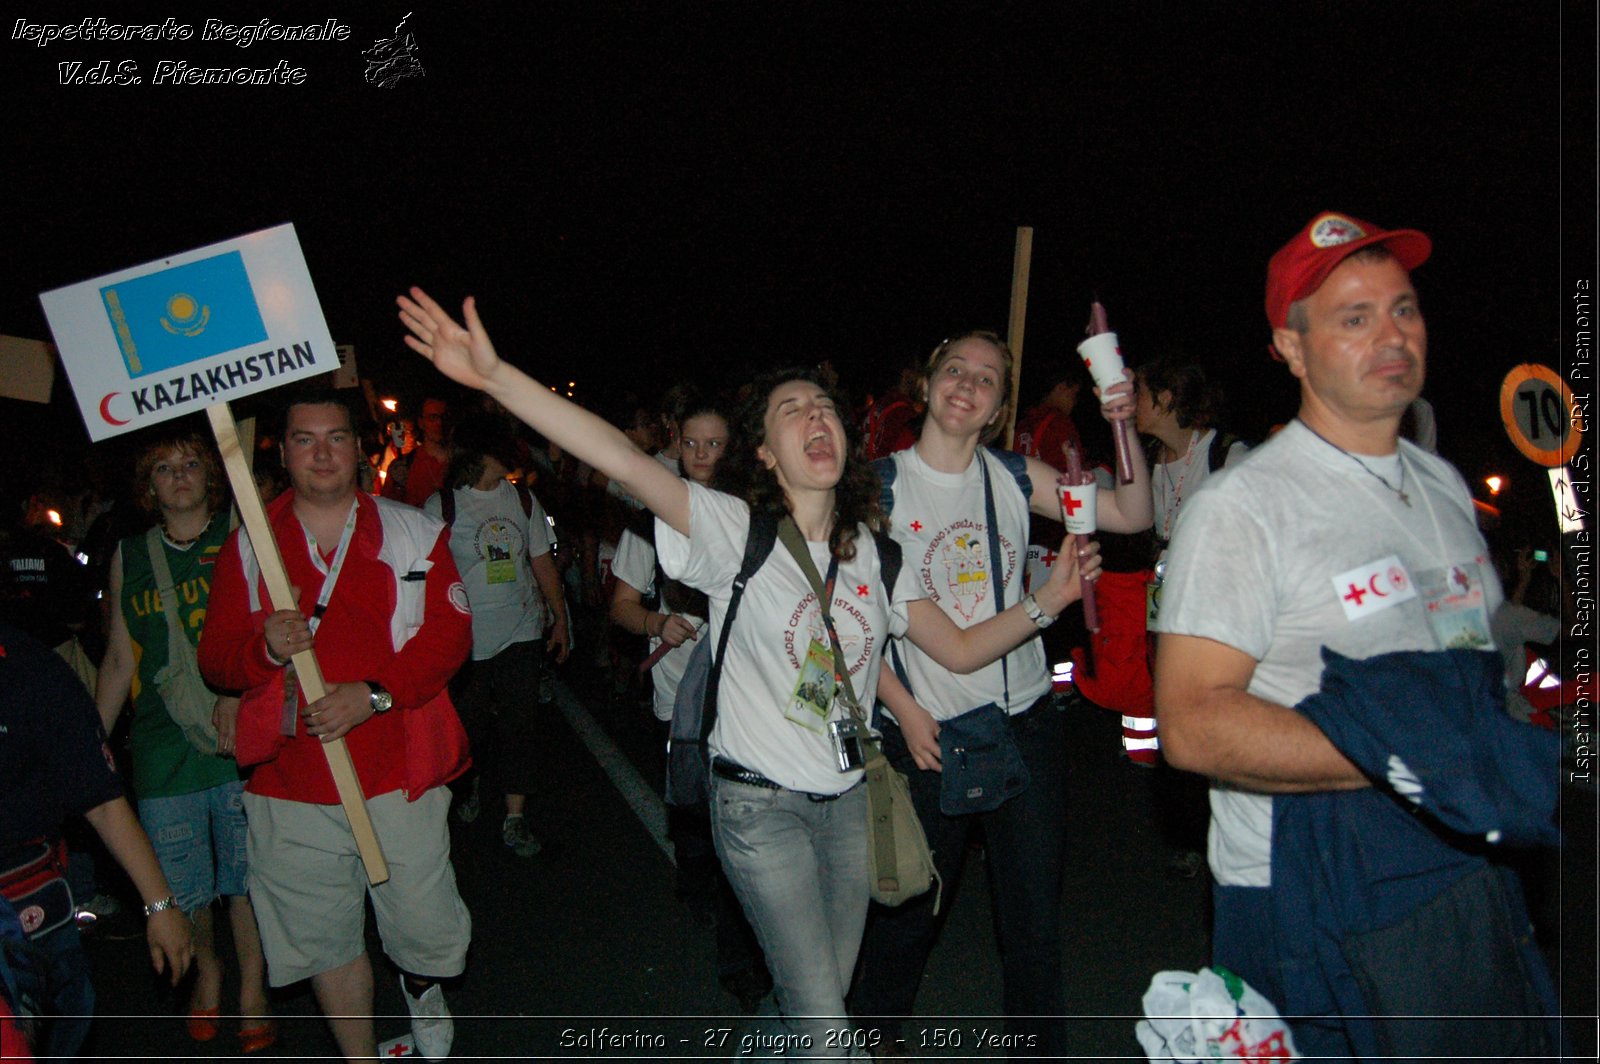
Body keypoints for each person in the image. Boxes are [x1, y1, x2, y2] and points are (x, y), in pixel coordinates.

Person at [397, 288, 1097, 1058]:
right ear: (763, 451)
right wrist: (497, 378)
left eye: (825, 408)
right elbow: (622, 458)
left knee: (816, 995)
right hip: (762, 813)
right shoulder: (737, 532)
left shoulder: (876, 552)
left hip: (850, 808)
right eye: (791, 411)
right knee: (832, 1034)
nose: (815, 418)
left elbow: (960, 649)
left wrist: (1046, 601)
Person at [1154, 212, 1561, 1057]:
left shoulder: (1443, 486)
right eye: (1354, 317)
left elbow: (1466, 663)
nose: (1392, 335)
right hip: (1304, 890)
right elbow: (1191, 726)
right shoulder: (1243, 506)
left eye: (1403, 309)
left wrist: (1486, 744)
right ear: (1292, 349)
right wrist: (1425, 753)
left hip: (1458, 859)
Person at [849, 330, 1151, 1056]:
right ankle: (867, 1045)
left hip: (1024, 727)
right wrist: (899, 703)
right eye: (955, 369)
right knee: (905, 918)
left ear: (996, 408)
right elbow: (848, 621)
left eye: (986, 379)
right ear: (927, 384)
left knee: (1034, 929)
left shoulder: (1018, 476)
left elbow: (1134, 513)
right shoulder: (874, 487)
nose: (967, 384)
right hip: (928, 734)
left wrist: (1119, 418)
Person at [198, 390, 473, 1062]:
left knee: (423, 927)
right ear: (282, 452)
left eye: (336, 438)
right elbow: (217, 658)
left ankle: (419, 984)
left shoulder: (413, 531)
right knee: (323, 938)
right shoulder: (247, 547)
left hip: (397, 771)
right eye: (303, 439)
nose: (321, 453)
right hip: (288, 784)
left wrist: (375, 694)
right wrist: (262, 649)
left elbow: (449, 634)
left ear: (359, 447)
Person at [92, 432, 273, 1051]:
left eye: (191, 464)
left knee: (245, 879)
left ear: (210, 475)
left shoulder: (243, 538)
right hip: (163, 748)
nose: (179, 477)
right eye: (164, 469)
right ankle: (210, 970)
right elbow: (120, 657)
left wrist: (237, 682)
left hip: (236, 733)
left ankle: (252, 984)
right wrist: (91, 742)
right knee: (186, 887)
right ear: (149, 487)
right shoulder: (129, 555)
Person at [609, 394, 773, 1011]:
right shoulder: (657, 515)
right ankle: (698, 875)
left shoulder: (749, 515)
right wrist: (656, 622)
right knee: (698, 824)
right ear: (675, 444)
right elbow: (620, 604)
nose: (703, 456)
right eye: (692, 444)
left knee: (741, 830)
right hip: (679, 697)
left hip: (743, 703)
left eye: (716, 444)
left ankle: (743, 956)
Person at [1, 621, 194, 1059]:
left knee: (63, 1023)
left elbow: (102, 800)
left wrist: (160, 905)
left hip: (27, 905)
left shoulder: (32, 671)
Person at [424, 422, 570, 856]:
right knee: (470, 726)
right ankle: (470, 780)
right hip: (465, 639)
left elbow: (541, 560)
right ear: (481, 454)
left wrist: (559, 619)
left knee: (519, 725)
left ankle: (515, 816)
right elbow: (425, 573)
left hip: (520, 630)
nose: (514, 455)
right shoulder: (443, 506)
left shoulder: (522, 499)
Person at [383, 395, 452, 507]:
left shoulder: (465, 461)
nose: (439, 423)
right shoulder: (405, 465)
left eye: (444, 417)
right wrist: (398, 485)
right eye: (432, 418)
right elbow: (389, 509)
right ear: (421, 423)